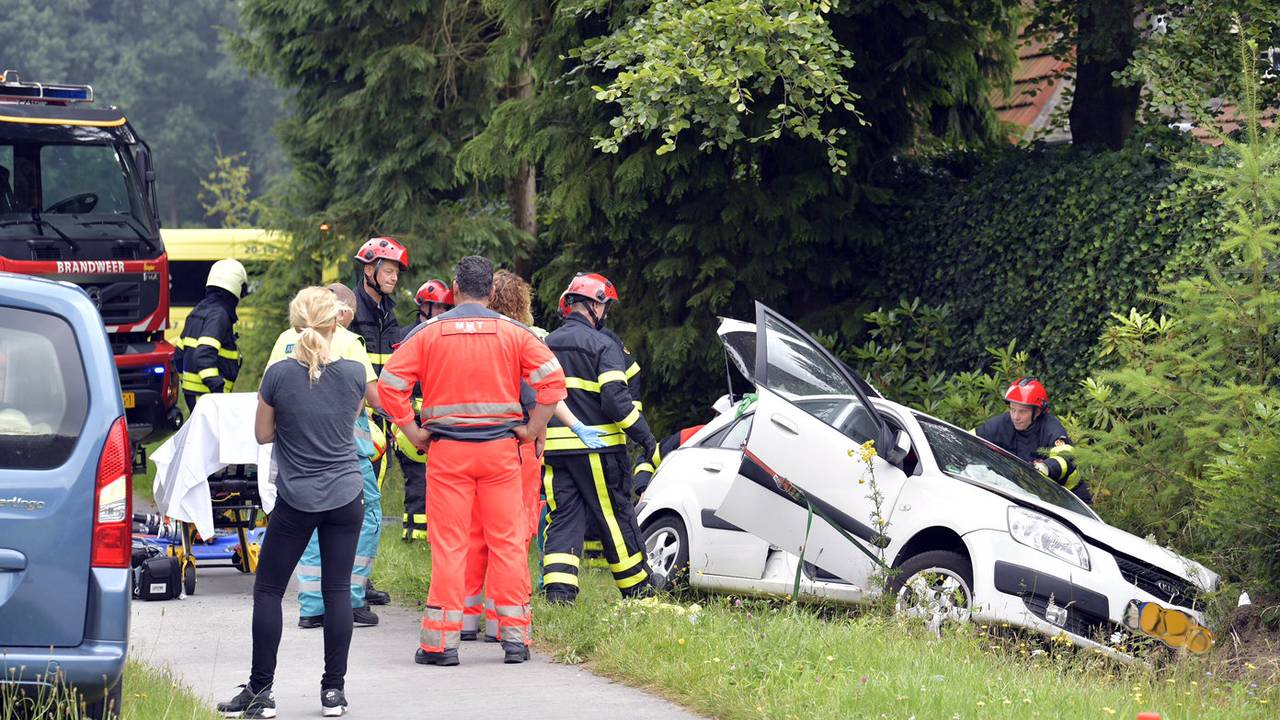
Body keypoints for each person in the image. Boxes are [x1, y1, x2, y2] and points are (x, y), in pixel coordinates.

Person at [378, 255, 567, 666]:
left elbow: (390, 384)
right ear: (492, 292)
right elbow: (553, 382)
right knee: (508, 543)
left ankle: (441, 645)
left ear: (454, 288)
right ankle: (515, 639)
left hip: (447, 453)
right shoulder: (515, 332)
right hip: (501, 453)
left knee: (449, 545)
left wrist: (412, 431)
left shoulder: (429, 332)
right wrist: (533, 428)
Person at [218, 288, 368, 718]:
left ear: (293, 324)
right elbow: (350, 418)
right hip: (346, 494)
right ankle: (333, 692)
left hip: (298, 497)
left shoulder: (279, 375)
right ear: (336, 323)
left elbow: (263, 435)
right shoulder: (356, 372)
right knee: (337, 590)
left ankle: (260, 691)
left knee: (268, 590)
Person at [459, 270, 600, 641]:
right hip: (517, 446)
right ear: (523, 302)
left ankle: (466, 618)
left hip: (468, 444)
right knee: (512, 535)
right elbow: (547, 393)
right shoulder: (528, 337)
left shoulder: (467, 333)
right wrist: (564, 427)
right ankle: (501, 622)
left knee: (474, 534)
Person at [265, 283, 388, 631]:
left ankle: (311, 604)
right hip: (344, 454)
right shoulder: (348, 342)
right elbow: (372, 398)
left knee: (304, 529)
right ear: (337, 317)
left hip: (295, 455)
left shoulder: (283, 340)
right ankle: (350, 599)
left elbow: (270, 396)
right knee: (364, 522)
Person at [540, 272, 659, 603]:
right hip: (598, 449)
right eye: (605, 306)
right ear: (595, 304)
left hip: (554, 451)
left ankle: (559, 594)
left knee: (564, 515)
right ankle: (638, 592)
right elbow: (614, 399)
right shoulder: (604, 344)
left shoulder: (547, 343)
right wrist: (645, 437)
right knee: (615, 516)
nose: (606, 313)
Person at [394, 279, 454, 542]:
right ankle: (414, 537)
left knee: (438, 482)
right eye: (436, 308)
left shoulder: (446, 336)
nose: (440, 313)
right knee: (417, 482)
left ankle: (429, 534)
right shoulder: (409, 336)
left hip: (438, 422)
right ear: (424, 307)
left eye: (445, 308)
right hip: (411, 421)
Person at [975, 377, 1090, 504]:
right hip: (1031, 495)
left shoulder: (1050, 427)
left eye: (1022, 412)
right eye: (1013, 409)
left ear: (1037, 412)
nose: (1015, 417)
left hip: (1069, 498)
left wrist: (1046, 467)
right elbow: (968, 439)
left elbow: (1067, 455)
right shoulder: (1003, 422)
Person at [176, 258, 247, 413]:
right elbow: (203, 354)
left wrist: (186, 382)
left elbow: (179, 353)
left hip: (195, 395)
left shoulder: (198, 311)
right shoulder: (219, 315)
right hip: (208, 396)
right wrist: (217, 389)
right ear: (236, 286)